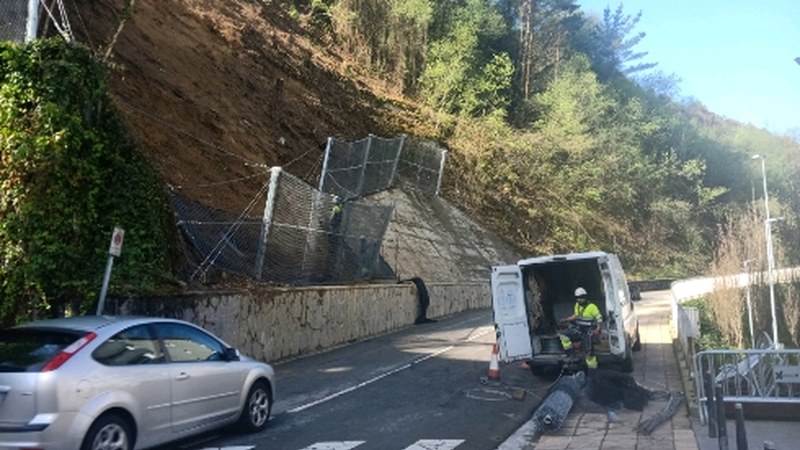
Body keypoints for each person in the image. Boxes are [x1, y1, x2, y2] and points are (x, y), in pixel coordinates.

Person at [559, 287, 603, 367]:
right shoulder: (577, 306)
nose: (580, 300)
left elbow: (599, 318)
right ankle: (571, 355)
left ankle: (592, 370)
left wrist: (598, 329)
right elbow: (576, 316)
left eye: (581, 298)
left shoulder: (592, 307)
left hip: (588, 331)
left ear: (585, 297)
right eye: (578, 298)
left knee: (589, 353)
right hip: (579, 329)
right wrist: (566, 319)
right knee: (564, 335)